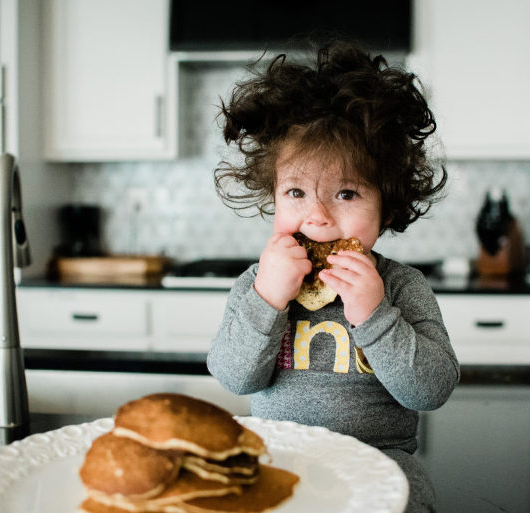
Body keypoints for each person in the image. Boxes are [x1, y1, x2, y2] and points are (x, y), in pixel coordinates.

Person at [207, 40, 460, 513]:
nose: (317, 218)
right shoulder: (258, 283)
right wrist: (267, 301)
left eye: (346, 193)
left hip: (380, 462)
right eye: (297, 191)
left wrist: (376, 315)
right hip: (276, 458)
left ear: (386, 208)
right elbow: (233, 377)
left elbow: (432, 390)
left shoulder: (403, 288)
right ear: (273, 196)